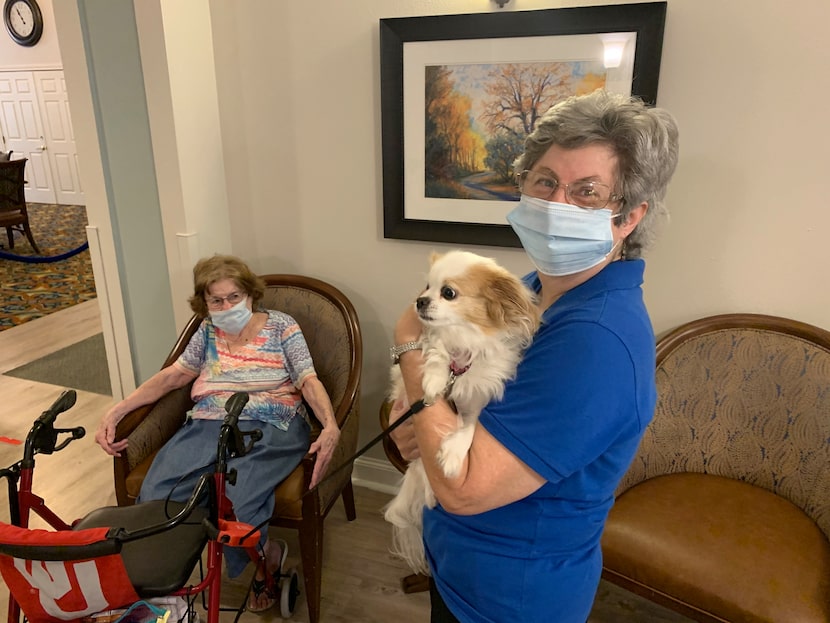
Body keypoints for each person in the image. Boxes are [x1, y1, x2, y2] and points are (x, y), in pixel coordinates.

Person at [388, 89, 679, 622]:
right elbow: (415, 424)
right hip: (461, 568)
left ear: (629, 217)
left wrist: (409, 346)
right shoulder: (529, 294)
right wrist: (416, 413)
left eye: (587, 192)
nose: (555, 204)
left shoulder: (596, 341)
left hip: (507, 596)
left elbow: (465, 488)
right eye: (544, 181)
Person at [95, 254, 340, 613]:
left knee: (239, 506)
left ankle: (267, 557)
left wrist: (331, 425)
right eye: (217, 300)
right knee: (158, 491)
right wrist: (117, 410)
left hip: (274, 422)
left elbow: (308, 380)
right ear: (205, 304)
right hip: (210, 420)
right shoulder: (208, 330)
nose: (227, 306)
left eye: (234, 297)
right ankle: (165, 580)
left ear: (250, 295)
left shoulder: (282, 327)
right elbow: (173, 376)